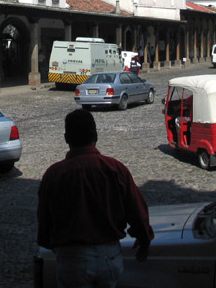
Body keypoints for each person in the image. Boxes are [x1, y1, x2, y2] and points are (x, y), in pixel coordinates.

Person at [37, 109, 154, 287]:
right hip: (109, 255)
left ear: (66, 138)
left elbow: (44, 218)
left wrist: (51, 244)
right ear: (96, 136)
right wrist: (144, 239)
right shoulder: (115, 169)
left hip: (72, 258)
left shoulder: (54, 175)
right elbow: (136, 208)